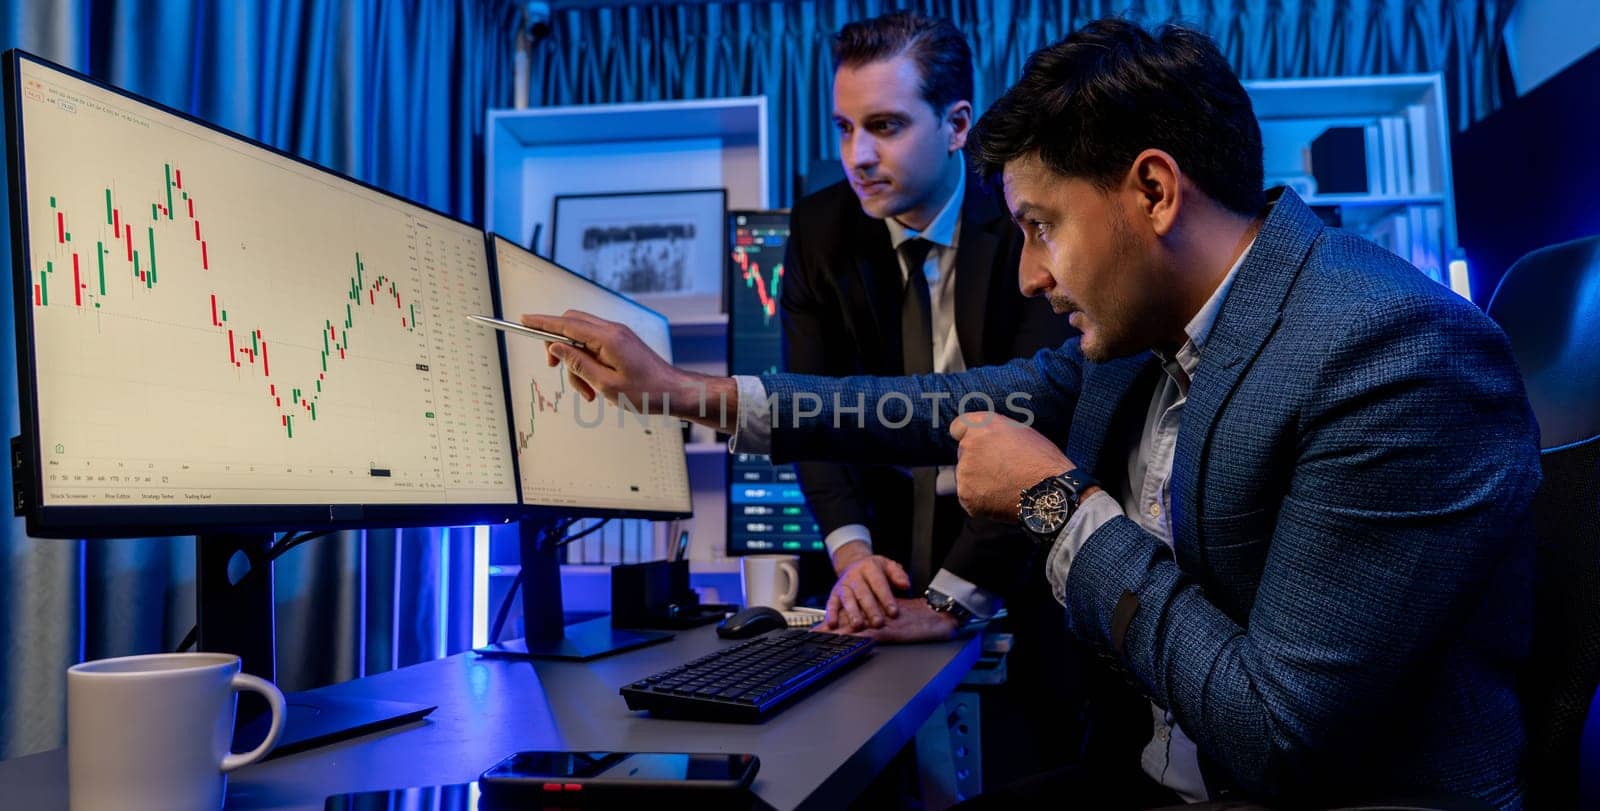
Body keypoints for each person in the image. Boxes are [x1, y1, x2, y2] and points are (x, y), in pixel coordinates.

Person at [522, 18, 1539, 809]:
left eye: (1043, 228)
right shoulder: (1139, 343)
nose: (1030, 274)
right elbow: (929, 406)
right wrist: (687, 393)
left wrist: (1055, 503)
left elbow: (1276, 729)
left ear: (1151, 191)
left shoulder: (1391, 353)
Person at [783, 11, 1069, 640]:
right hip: (878, 546)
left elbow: (1035, 419)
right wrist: (852, 556)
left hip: (1015, 548)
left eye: (885, 127)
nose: (857, 156)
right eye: (845, 128)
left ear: (957, 125)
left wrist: (954, 601)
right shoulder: (817, 230)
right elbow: (809, 410)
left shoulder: (1024, 216)